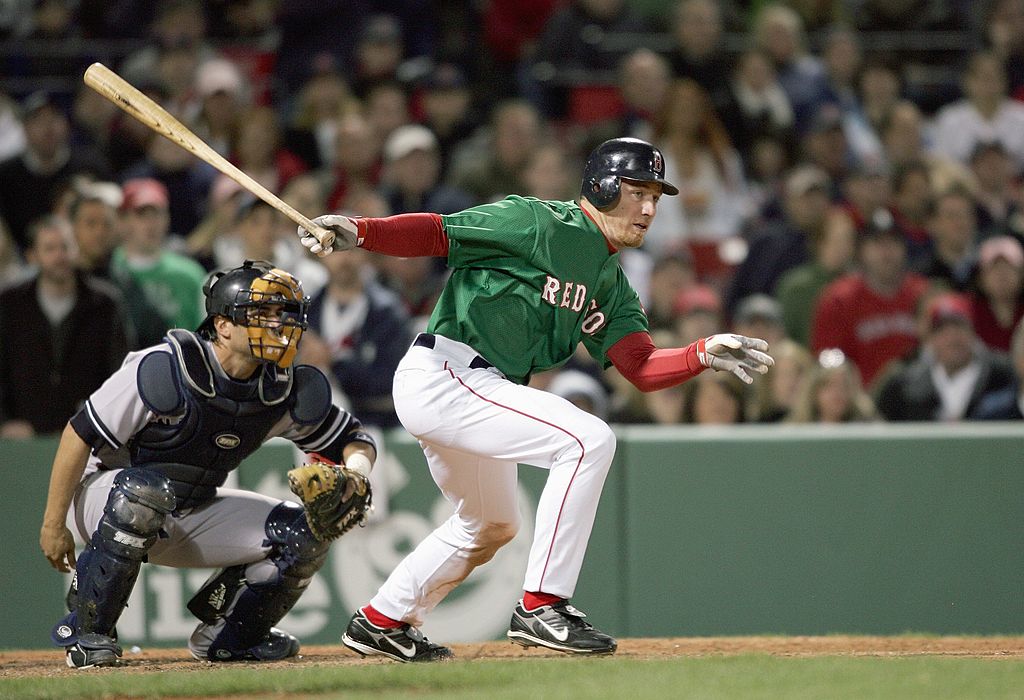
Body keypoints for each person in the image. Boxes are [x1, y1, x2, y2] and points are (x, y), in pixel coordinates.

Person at [297, 137, 773, 661]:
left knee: (492, 524)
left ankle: (382, 620)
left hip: (481, 387)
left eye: (656, 197)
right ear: (603, 185)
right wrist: (359, 231)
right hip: (446, 370)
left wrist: (701, 352)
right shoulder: (537, 222)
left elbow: (639, 366)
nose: (649, 208)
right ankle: (543, 605)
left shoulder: (611, 284)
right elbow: (439, 232)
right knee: (589, 439)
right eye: (638, 191)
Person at [39, 260, 378, 668]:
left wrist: (356, 472)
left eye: (283, 314)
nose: (276, 326)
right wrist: (53, 523)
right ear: (222, 325)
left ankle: (229, 640)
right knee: (144, 493)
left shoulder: (279, 387)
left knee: (303, 534)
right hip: (105, 499)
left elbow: (354, 439)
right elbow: (79, 435)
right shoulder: (166, 367)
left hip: (190, 506)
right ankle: (89, 630)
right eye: (261, 314)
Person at [0, 216, 129, 438]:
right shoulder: (9, 304)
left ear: (76, 250)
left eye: (65, 247)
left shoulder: (105, 304)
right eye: (50, 249)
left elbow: (121, 370)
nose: (59, 256)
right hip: (22, 437)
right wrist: (5, 422)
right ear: (33, 256)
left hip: (88, 435)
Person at [874, 292, 1016, 421]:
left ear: (973, 331)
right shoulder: (905, 384)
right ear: (930, 338)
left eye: (959, 326)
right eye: (942, 329)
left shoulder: (1003, 375)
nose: (952, 337)